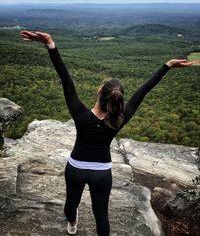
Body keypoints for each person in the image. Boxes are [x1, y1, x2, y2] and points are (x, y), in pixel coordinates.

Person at [20, 30, 194, 235]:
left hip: (75, 168)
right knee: (101, 215)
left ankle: (73, 222)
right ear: (117, 100)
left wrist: (50, 44)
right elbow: (144, 90)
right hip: (101, 173)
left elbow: (65, 78)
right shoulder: (118, 120)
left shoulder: (80, 114)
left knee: (70, 204)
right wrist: (167, 66)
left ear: (99, 92)